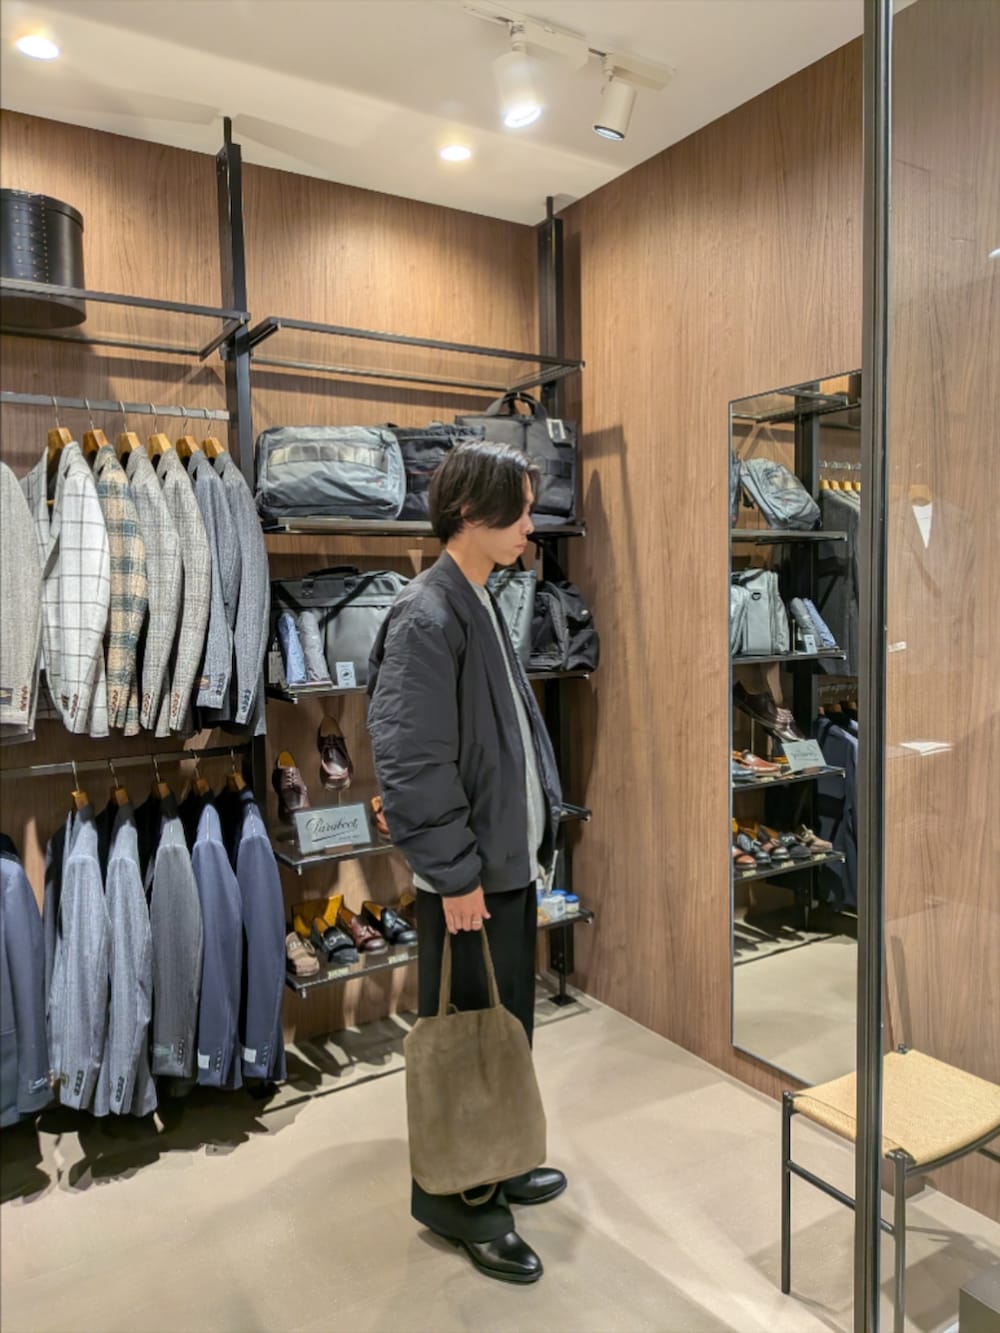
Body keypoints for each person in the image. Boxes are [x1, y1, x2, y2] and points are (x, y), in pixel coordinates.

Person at [367, 440, 566, 1285]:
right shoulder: (427, 613)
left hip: (500, 864)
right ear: (472, 513)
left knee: (502, 1027)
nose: (530, 524)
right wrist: (452, 871)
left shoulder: (475, 595)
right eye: (518, 508)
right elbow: (412, 760)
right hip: (469, 875)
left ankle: (501, 1157)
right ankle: (463, 1201)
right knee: (466, 1033)